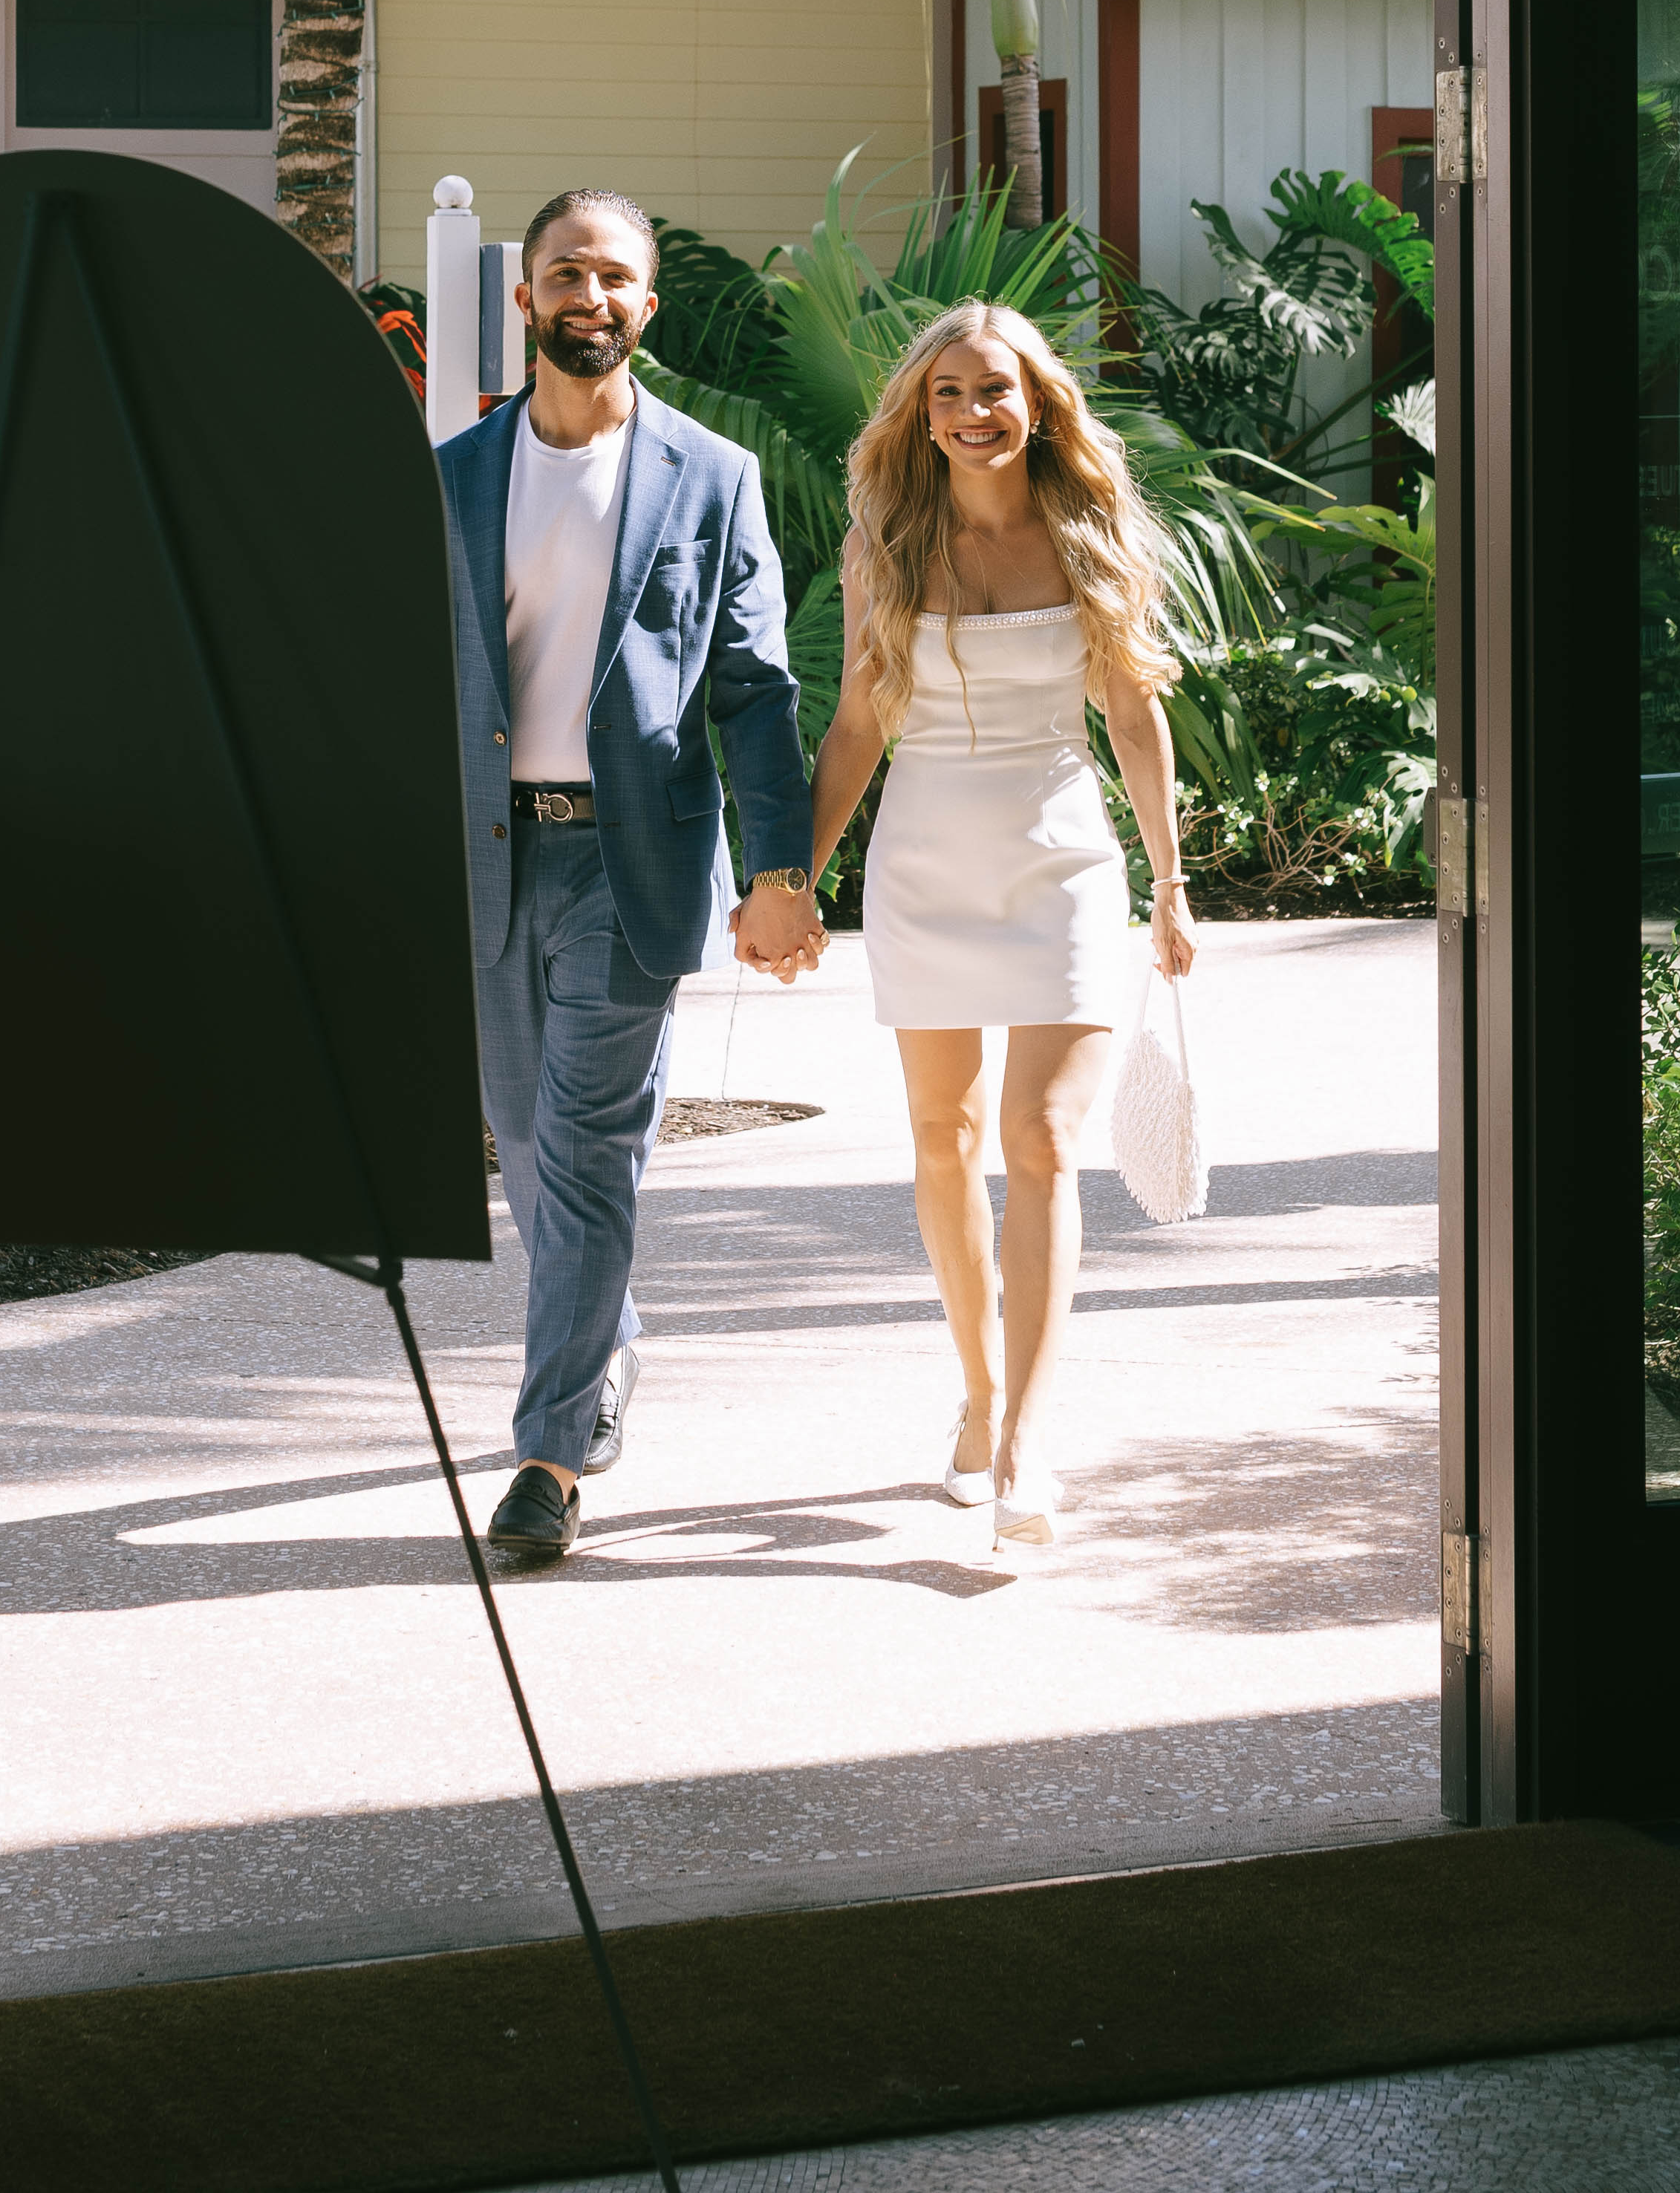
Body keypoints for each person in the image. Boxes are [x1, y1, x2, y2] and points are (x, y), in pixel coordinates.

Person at [435, 185, 821, 1568]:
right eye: (563, 273)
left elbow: (756, 689)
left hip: (630, 859)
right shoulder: (453, 475)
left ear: (643, 306)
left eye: (613, 275)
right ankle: (606, 1346)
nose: (587, 295)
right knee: (530, 1154)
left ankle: (546, 1457)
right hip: (491, 861)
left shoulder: (711, 475)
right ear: (525, 298)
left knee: (589, 1154)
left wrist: (779, 867)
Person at [803, 304, 1193, 1563]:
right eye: (948, 395)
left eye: (996, 391)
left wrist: (1171, 883)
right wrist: (792, 879)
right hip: (921, 860)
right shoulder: (887, 543)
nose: (974, 415)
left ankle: (1026, 1432)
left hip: (1061, 858)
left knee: (1037, 1140)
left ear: (1039, 404)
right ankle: (973, 1385)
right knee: (942, 1138)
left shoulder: (1085, 537)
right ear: (920, 415)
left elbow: (1133, 721)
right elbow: (857, 728)